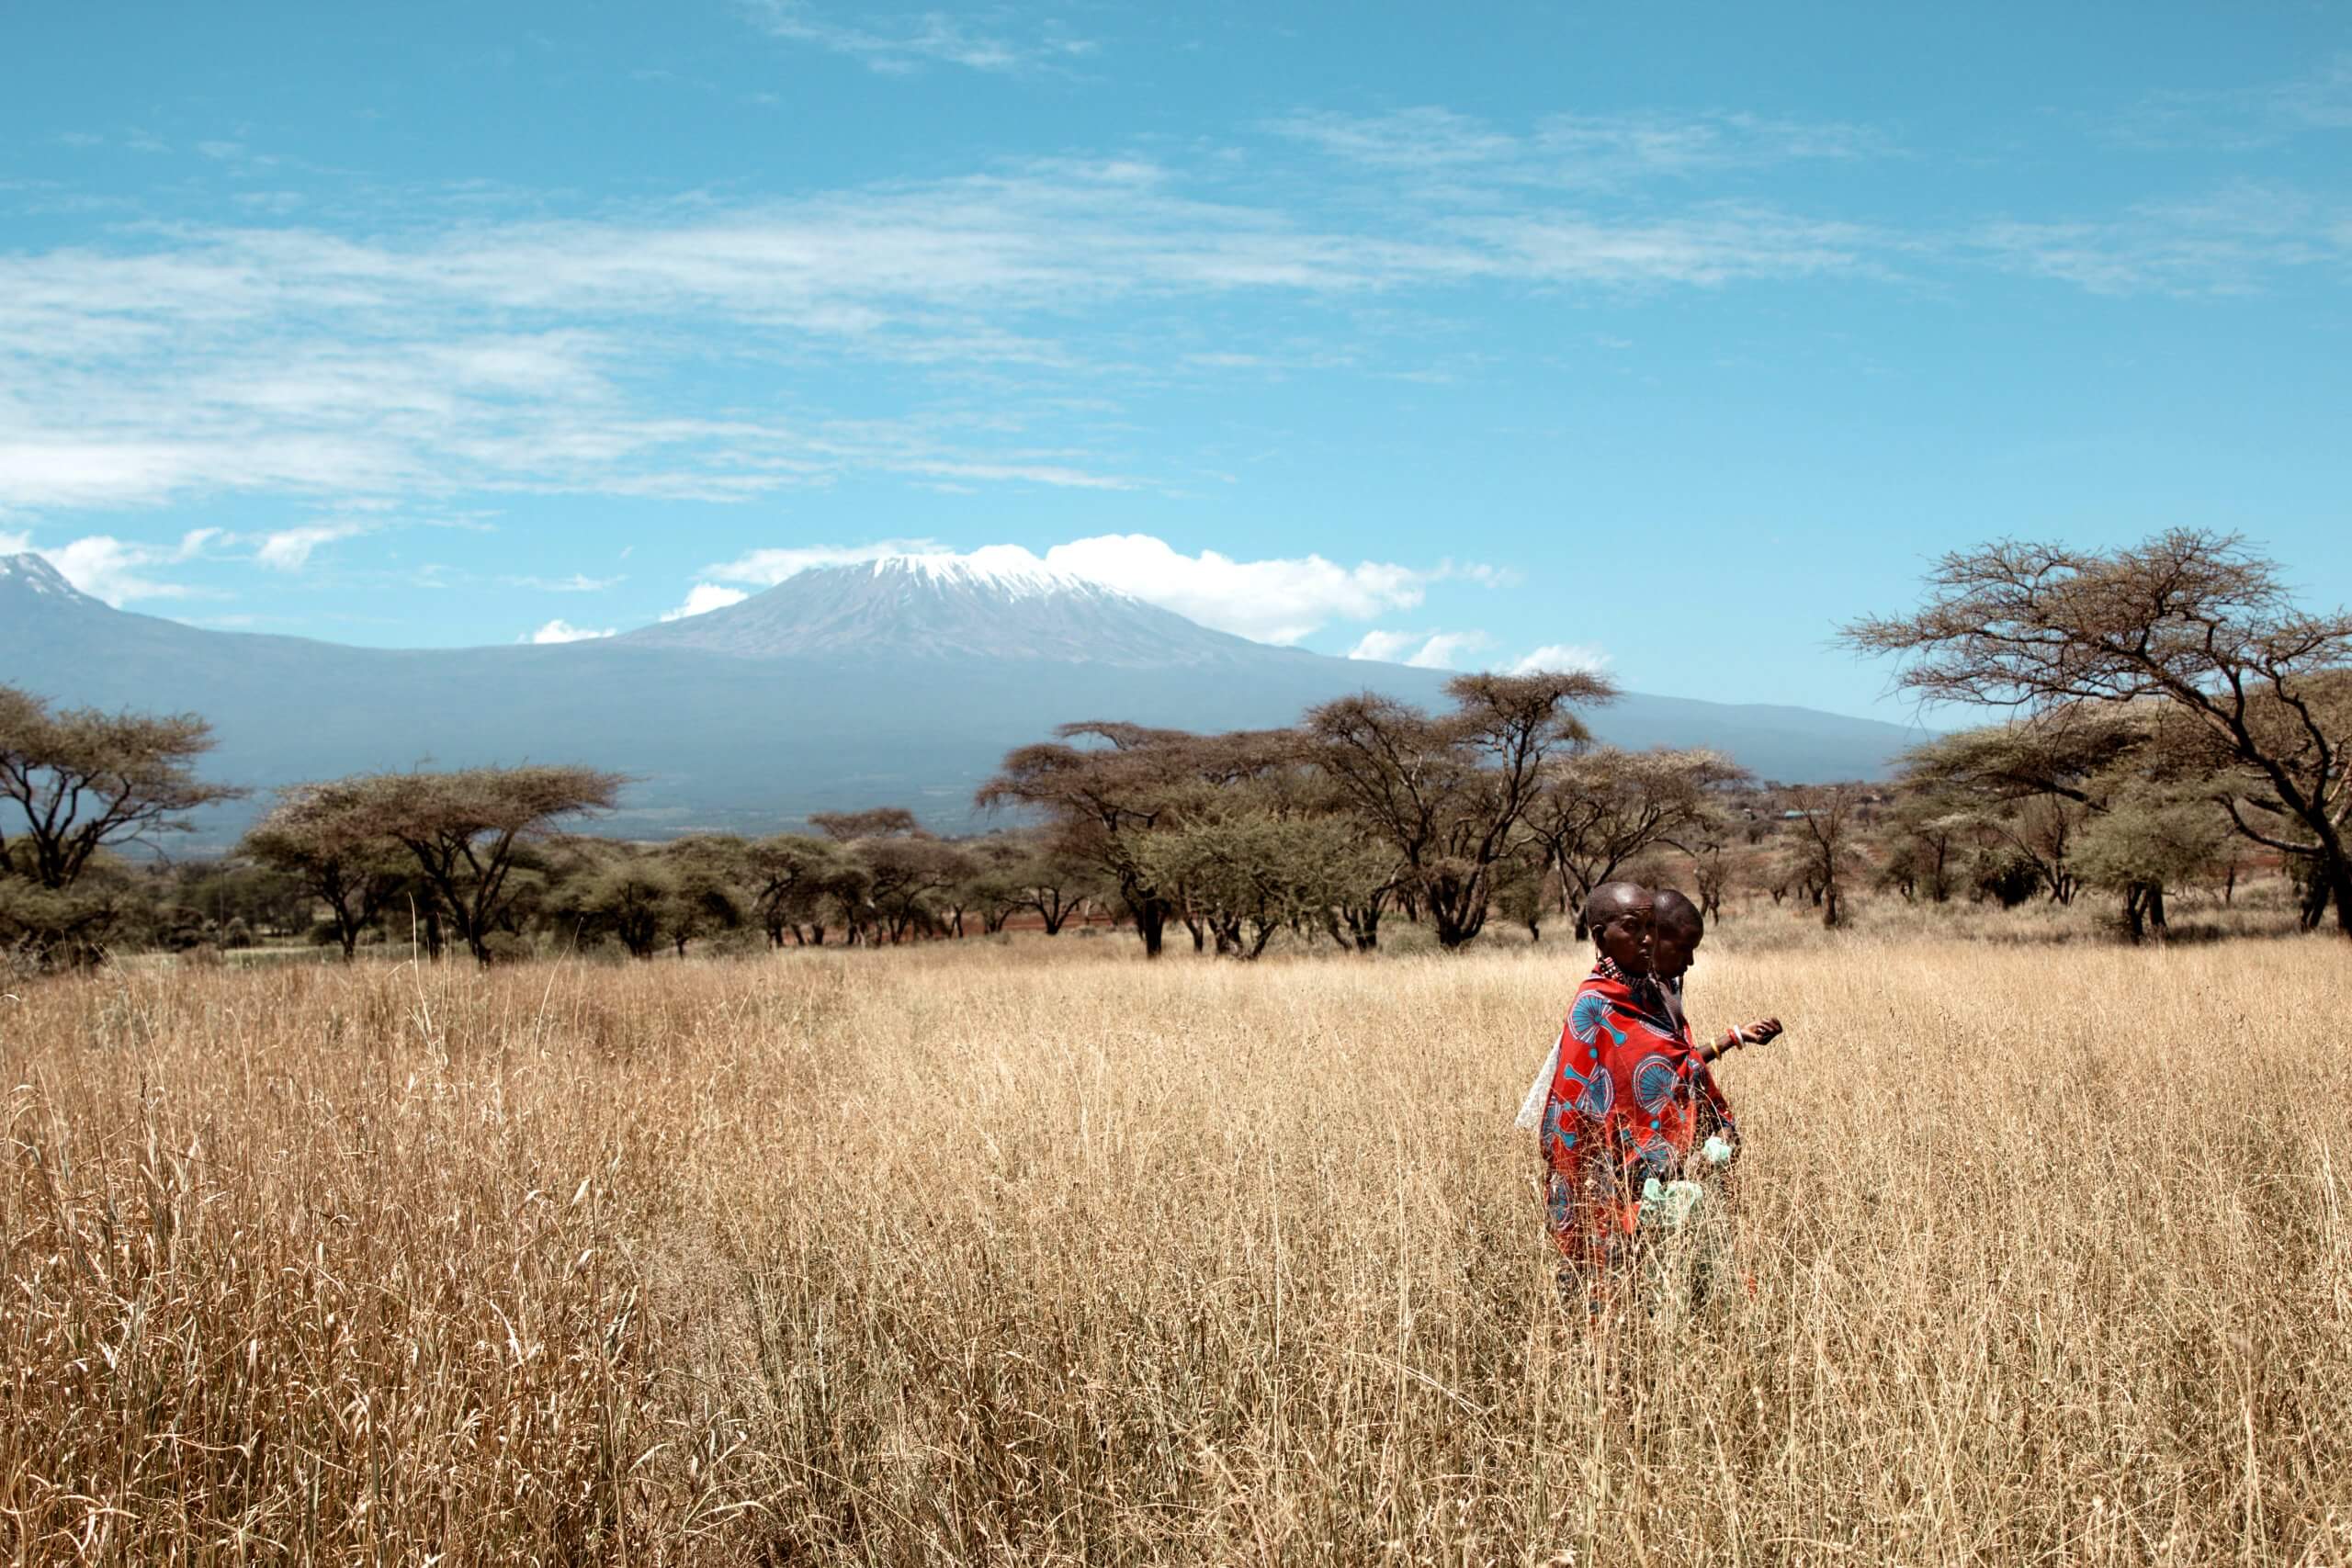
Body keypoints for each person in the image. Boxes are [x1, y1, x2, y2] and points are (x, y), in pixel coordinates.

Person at [1531, 881, 1781, 1288]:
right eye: (1636, 927)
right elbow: (1573, 1101)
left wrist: (1733, 1039)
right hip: (1610, 1162)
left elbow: (1668, 1066)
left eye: (1650, 927)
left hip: (1654, 1157)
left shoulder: (1646, 993)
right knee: (1612, 1269)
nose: (1646, 938)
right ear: (1600, 938)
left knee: (1668, 1269)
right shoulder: (1595, 1004)